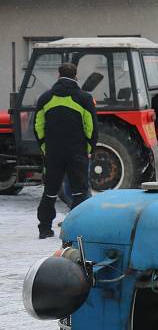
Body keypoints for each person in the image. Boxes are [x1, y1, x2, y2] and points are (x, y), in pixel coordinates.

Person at [34, 62, 98, 239]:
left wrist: (45, 147)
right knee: (79, 191)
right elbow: (91, 127)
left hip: (53, 153)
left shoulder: (45, 98)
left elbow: (38, 126)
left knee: (50, 190)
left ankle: (44, 229)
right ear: (76, 76)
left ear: (58, 75)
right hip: (77, 152)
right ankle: (78, 229)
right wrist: (89, 148)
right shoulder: (84, 98)